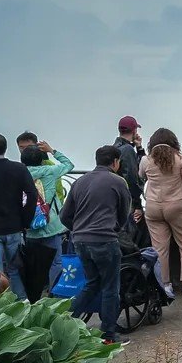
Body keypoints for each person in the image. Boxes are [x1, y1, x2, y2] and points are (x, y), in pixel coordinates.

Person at [61, 145, 131, 344]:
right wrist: (114, 230)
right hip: (104, 240)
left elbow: (65, 216)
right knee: (110, 287)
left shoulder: (80, 181)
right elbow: (123, 213)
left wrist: (78, 230)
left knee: (92, 283)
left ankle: (64, 320)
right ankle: (108, 335)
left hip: (80, 241)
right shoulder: (118, 182)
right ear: (116, 162)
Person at [140, 128, 182, 300]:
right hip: (177, 206)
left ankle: (165, 285)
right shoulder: (179, 159)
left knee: (160, 248)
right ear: (174, 143)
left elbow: (140, 176)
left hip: (153, 207)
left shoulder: (146, 161)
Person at [0, 133, 38, 300]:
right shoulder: (19, 169)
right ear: (5, 148)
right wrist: (25, 220)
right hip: (14, 228)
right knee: (16, 270)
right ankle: (23, 306)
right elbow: (32, 194)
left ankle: (0, 311)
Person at [20, 141, 73, 300]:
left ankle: (32, 296)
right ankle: (55, 294)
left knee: (32, 263)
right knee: (56, 262)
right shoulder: (50, 171)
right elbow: (69, 164)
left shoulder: (20, 174)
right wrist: (52, 150)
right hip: (51, 225)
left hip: (29, 227)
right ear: (41, 159)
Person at [112, 115, 149, 247]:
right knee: (130, 239)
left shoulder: (116, 147)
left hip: (115, 199)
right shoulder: (127, 150)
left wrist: (138, 148)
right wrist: (138, 205)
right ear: (134, 131)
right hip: (127, 202)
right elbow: (132, 179)